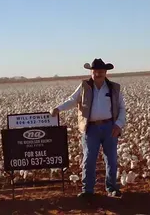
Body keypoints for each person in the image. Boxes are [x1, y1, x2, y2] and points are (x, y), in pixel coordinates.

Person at [51, 58, 127, 198]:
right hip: (90, 128)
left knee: (111, 159)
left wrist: (118, 124)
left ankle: (112, 188)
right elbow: (73, 100)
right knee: (89, 159)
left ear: (105, 72)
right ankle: (88, 191)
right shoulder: (84, 86)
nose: (98, 74)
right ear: (91, 72)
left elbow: (122, 108)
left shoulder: (114, 88)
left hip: (110, 127)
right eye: (95, 71)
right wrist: (58, 109)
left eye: (101, 71)